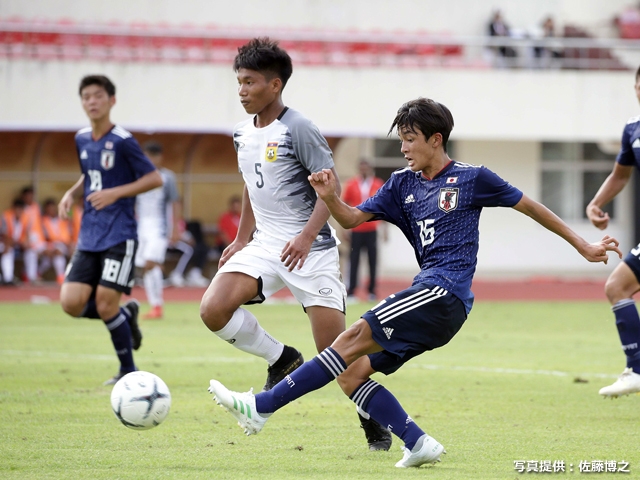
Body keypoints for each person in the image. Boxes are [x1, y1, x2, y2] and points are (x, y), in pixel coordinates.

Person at [207, 97, 622, 468]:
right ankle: (417, 442)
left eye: (409, 139)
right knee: (351, 374)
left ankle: (260, 407)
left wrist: (582, 244)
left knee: (346, 341)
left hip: (444, 293)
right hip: (429, 298)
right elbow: (351, 219)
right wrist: (331, 196)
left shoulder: (473, 178)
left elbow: (531, 207)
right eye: (401, 140)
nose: (403, 148)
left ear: (435, 139)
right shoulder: (400, 184)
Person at [199, 37, 392, 451]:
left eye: (249, 82)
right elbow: (253, 185)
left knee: (338, 357)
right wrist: (241, 237)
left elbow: (330, 187)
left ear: (275, 85)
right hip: (266, 245)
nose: (242, 90)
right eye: (239, 82)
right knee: (213, 309)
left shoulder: (298, 128)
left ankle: (370, 418)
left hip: (313, 252)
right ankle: (280, 357)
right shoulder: (240, 132)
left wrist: (306, 237)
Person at [58, 74, 163, 385]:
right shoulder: (80, 139)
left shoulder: (123, 140)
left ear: (111, 101)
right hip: (89, 233)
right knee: (71, 303)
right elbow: (89, 177)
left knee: (105, 302)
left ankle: (127, 371)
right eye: (86, 96)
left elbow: (154, 178)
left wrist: (116, 193)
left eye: (98, 96)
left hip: (119, 233)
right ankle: (126, 315)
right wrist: (71, 193)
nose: (92, 101)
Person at [586, 65, 640, 398]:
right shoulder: (632, 131)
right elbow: (620, 175)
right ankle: (635, 368)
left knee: (617, 285)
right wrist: (595, 203)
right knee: (617, 286)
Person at [134, 141, 181, 319]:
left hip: (159, 228)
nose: (150, 160)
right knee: (145, 267)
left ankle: (157, 305)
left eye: (154, 156)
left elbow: (175, 202)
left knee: (150, 263)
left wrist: (175, 228)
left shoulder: (167, 177)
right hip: (141, 228)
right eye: (147, 156)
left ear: (160, 157)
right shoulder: (138, 176)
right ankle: (155, 306)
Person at [342, 159, 385, 301]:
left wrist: (384, 228)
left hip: (371, 228)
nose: (364, 170)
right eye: (362, 167)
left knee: (372, 260)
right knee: (354, 260)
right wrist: (344, 226)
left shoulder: (377, 184)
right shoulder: (352, 184)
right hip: (356, 228)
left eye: (366, 167)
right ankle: (352, 291)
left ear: (370, 169)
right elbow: (345, 204)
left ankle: (371, 291)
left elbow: (384, 206)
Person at [39, 198, 72, 284]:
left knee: (58, 254)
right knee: (50, 257)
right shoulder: (43, 220)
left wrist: (68, 245)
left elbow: (68, 235)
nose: (51, 210)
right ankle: (60, 276)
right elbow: (43, 237)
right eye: (49, 208)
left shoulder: (63, 219)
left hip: (63, 245)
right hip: (48, 245)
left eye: (52, 208)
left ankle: (60, 276)